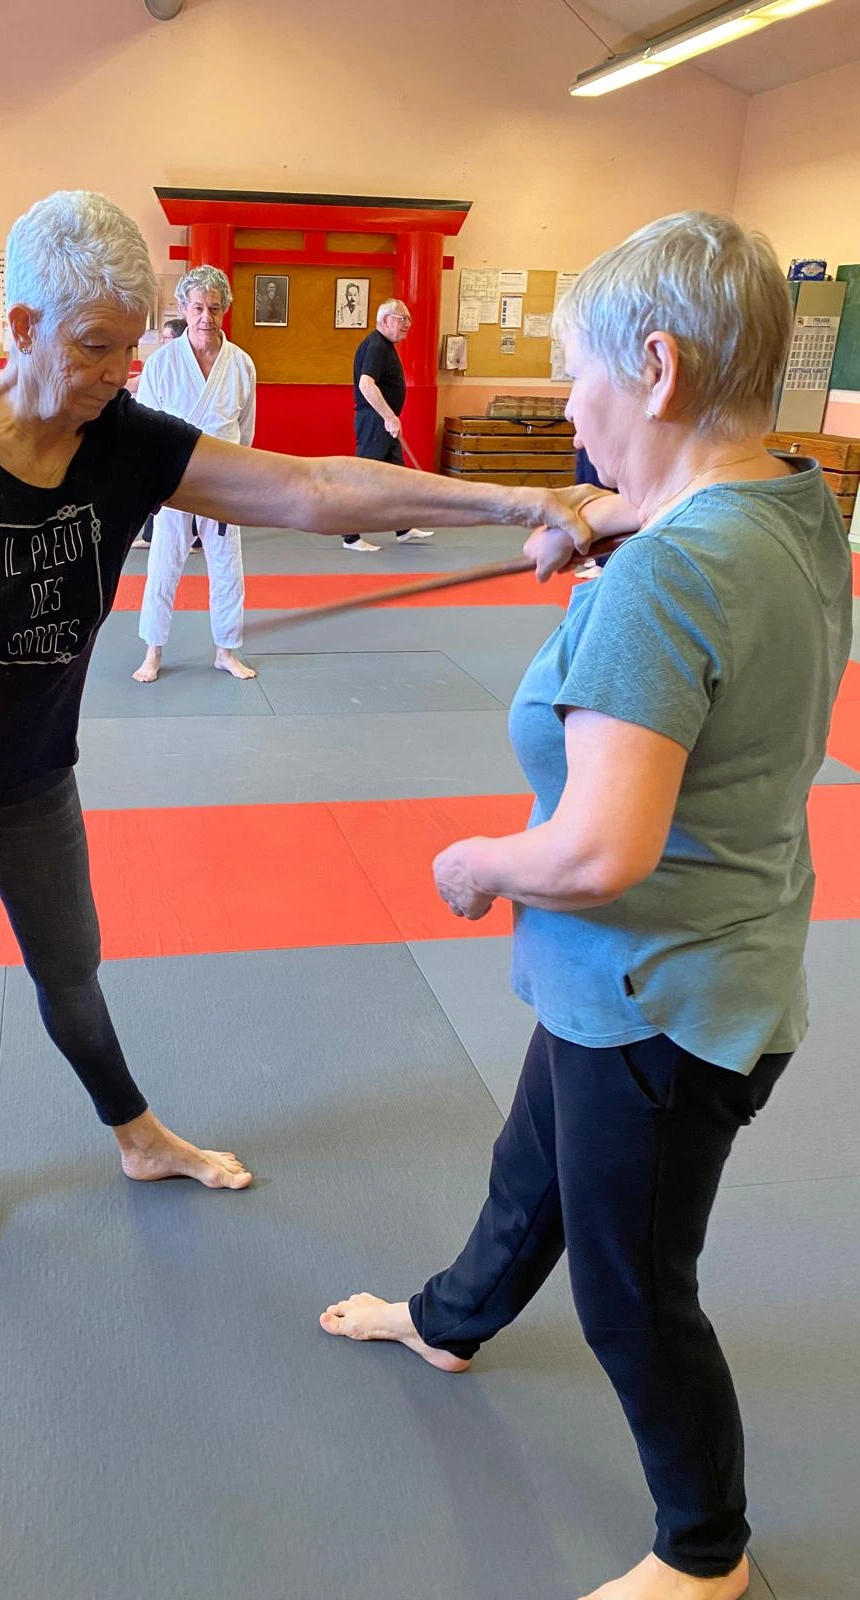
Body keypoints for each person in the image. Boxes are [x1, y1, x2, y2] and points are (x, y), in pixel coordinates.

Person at [0, 189, 590, 1274]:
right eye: (95, 346)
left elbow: (313, 487)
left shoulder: (127, 441)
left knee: (72, 966)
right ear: (23, 329)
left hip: (26, 755)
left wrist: (519, 503)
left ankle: (137, 1135)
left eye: (132, 345)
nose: (120, 371)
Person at [319, 212, 851, 1600]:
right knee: (531, 1173)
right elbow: (692, 520)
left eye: (578, 372)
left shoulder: (669, 580)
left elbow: (602, 848)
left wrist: (477, 865)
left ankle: (706, 1553)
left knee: (632, 1293)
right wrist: (598, 516)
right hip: (671, 970)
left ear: (657, 370)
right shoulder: (799, 508)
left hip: (665, 1001)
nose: (566, 404)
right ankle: (451, 1320)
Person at [135, 267, 258, 683]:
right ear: (183, 309)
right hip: (174, 479)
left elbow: (245, 428)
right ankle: (153, 651)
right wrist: (151, 482)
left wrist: (240, 476)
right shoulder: (162, 363)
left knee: (227, 566)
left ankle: (226, 650)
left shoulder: (240, 364)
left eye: (215, 308)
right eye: (199, 308)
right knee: (163, 564)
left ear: (225, 310)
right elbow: (145, 427)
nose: (207, 317)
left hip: (223, 479)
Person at [343, 298, 433, 551]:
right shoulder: (376, 346)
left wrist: (390, 417)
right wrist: (389, 417)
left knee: (397, 478)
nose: (408, 324)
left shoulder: (384, 345)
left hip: (381, 421)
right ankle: (350, 536)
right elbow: (366, 384)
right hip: (375, 421)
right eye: (402, 318)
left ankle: (403, 528)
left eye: (409, 319)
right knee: (362, 478)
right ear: (385, 320)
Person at [131, 317, 187, 550]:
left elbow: (137, 384)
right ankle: (150, 535)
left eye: (167, 337)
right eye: (162, 337)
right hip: (163, 432)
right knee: (157, 485)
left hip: (178, 434)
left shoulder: (179, 363)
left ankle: (193, 539)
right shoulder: (161, 361)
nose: (163, 341)